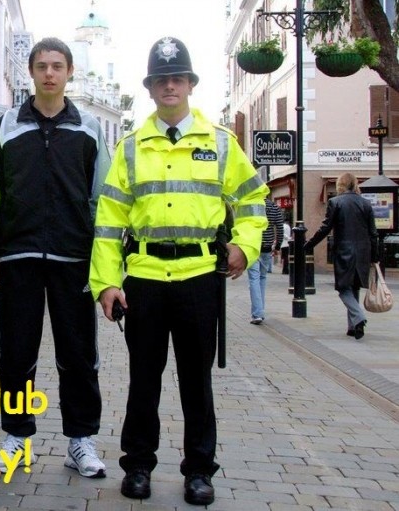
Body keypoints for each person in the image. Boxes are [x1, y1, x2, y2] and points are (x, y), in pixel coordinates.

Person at [89, 36, 268, 505]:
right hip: (145, 279)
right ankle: (138, 466)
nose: (170, 86)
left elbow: (252, 200)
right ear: (150, 88)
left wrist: (246, 246)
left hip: (198, 279)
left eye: (177, 78)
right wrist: (106, 283)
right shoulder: (130, 148)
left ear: (190, 84)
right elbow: (108, 222)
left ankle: (199, 471)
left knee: (197, 381)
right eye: (161, 79)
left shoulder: (221, 143)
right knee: (143, 380)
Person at [0, 37, 111, 479]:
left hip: (73, 259)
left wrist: (103, 262)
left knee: (79, 354)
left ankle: (80, 440)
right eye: (42, 66)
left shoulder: (88, 128)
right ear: (31, 72)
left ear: (69, 72)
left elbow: (102, 198)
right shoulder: (6, 125)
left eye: (57, 66)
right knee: (17, 353)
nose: (49, 73)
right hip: (19, 256)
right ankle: (16, 437)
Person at [305, 172, 379, 340]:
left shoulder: (335, 202)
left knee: (343, 288)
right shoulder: (366, 204)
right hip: (363, 252)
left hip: (344, 251)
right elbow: (373, 233)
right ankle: (353, 327)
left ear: (341, 184)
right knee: (354, 287)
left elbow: (325, 228)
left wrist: (309, 244)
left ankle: (358, 318)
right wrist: (374, 256)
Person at [248, 197, 283, 324]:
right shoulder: (274, 207)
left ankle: (257, 313)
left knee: (254, 278)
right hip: (267, 248)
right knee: (262, 278)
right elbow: (280, 228)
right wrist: (277, 246)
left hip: (253, 245)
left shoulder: (252, 205)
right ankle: (260, 311)